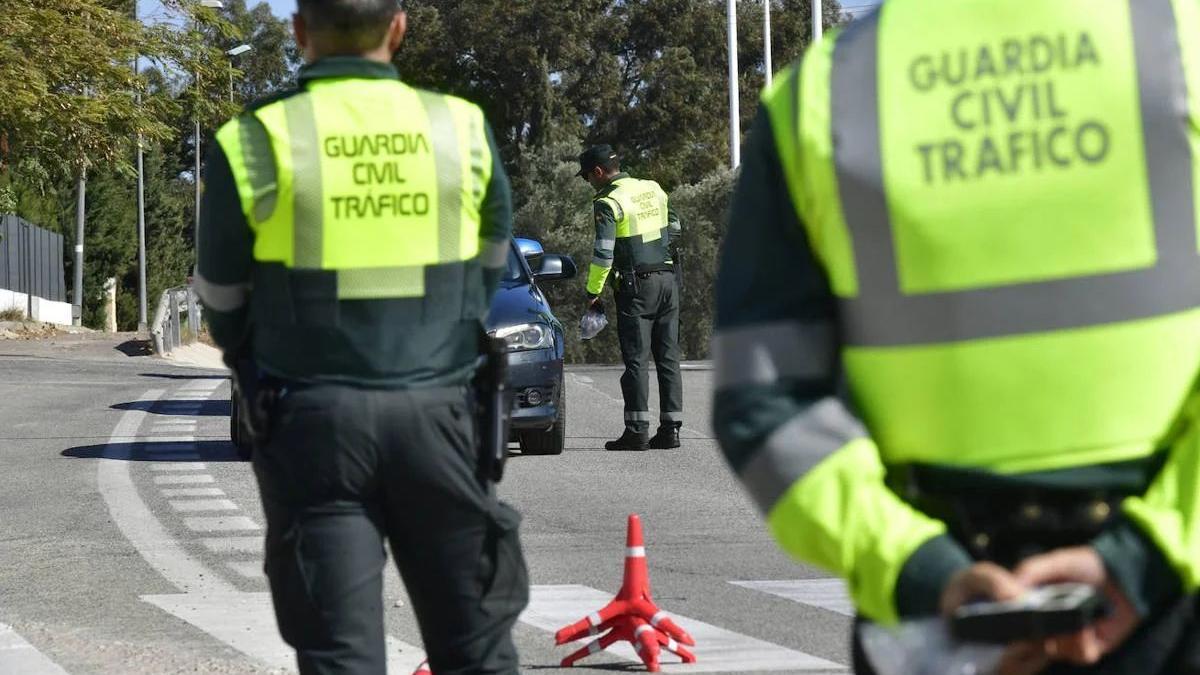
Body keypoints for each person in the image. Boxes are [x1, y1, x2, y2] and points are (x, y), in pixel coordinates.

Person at [712, 0, 1200, 672]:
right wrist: (1146, 556)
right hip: (1173, 599)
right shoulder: (1180, 43)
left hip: (943, 619)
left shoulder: (823, 95)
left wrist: (916, 567)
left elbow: (764, 401)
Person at [194, 1, 528, 673]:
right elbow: (491, 262)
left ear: (298, 32)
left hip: (313, 424)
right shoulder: (458, 129)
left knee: (339, 655)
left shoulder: (256, 138)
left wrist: (252, 362)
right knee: (477, 647)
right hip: (439, 411)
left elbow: (221, 294)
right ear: (398, 29)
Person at [578, 145, 684, 451]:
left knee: (636, 359)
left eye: (587, 177)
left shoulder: (608, 202)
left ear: (598, 172)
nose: (589, 183)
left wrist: (593, 291)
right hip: (667, 280)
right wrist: (655, 250)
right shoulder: (653, 188)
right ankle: (671, 430)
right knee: (668, 358)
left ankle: (637, 430)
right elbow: (675, 227)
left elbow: (603, 252)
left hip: (637, 287)